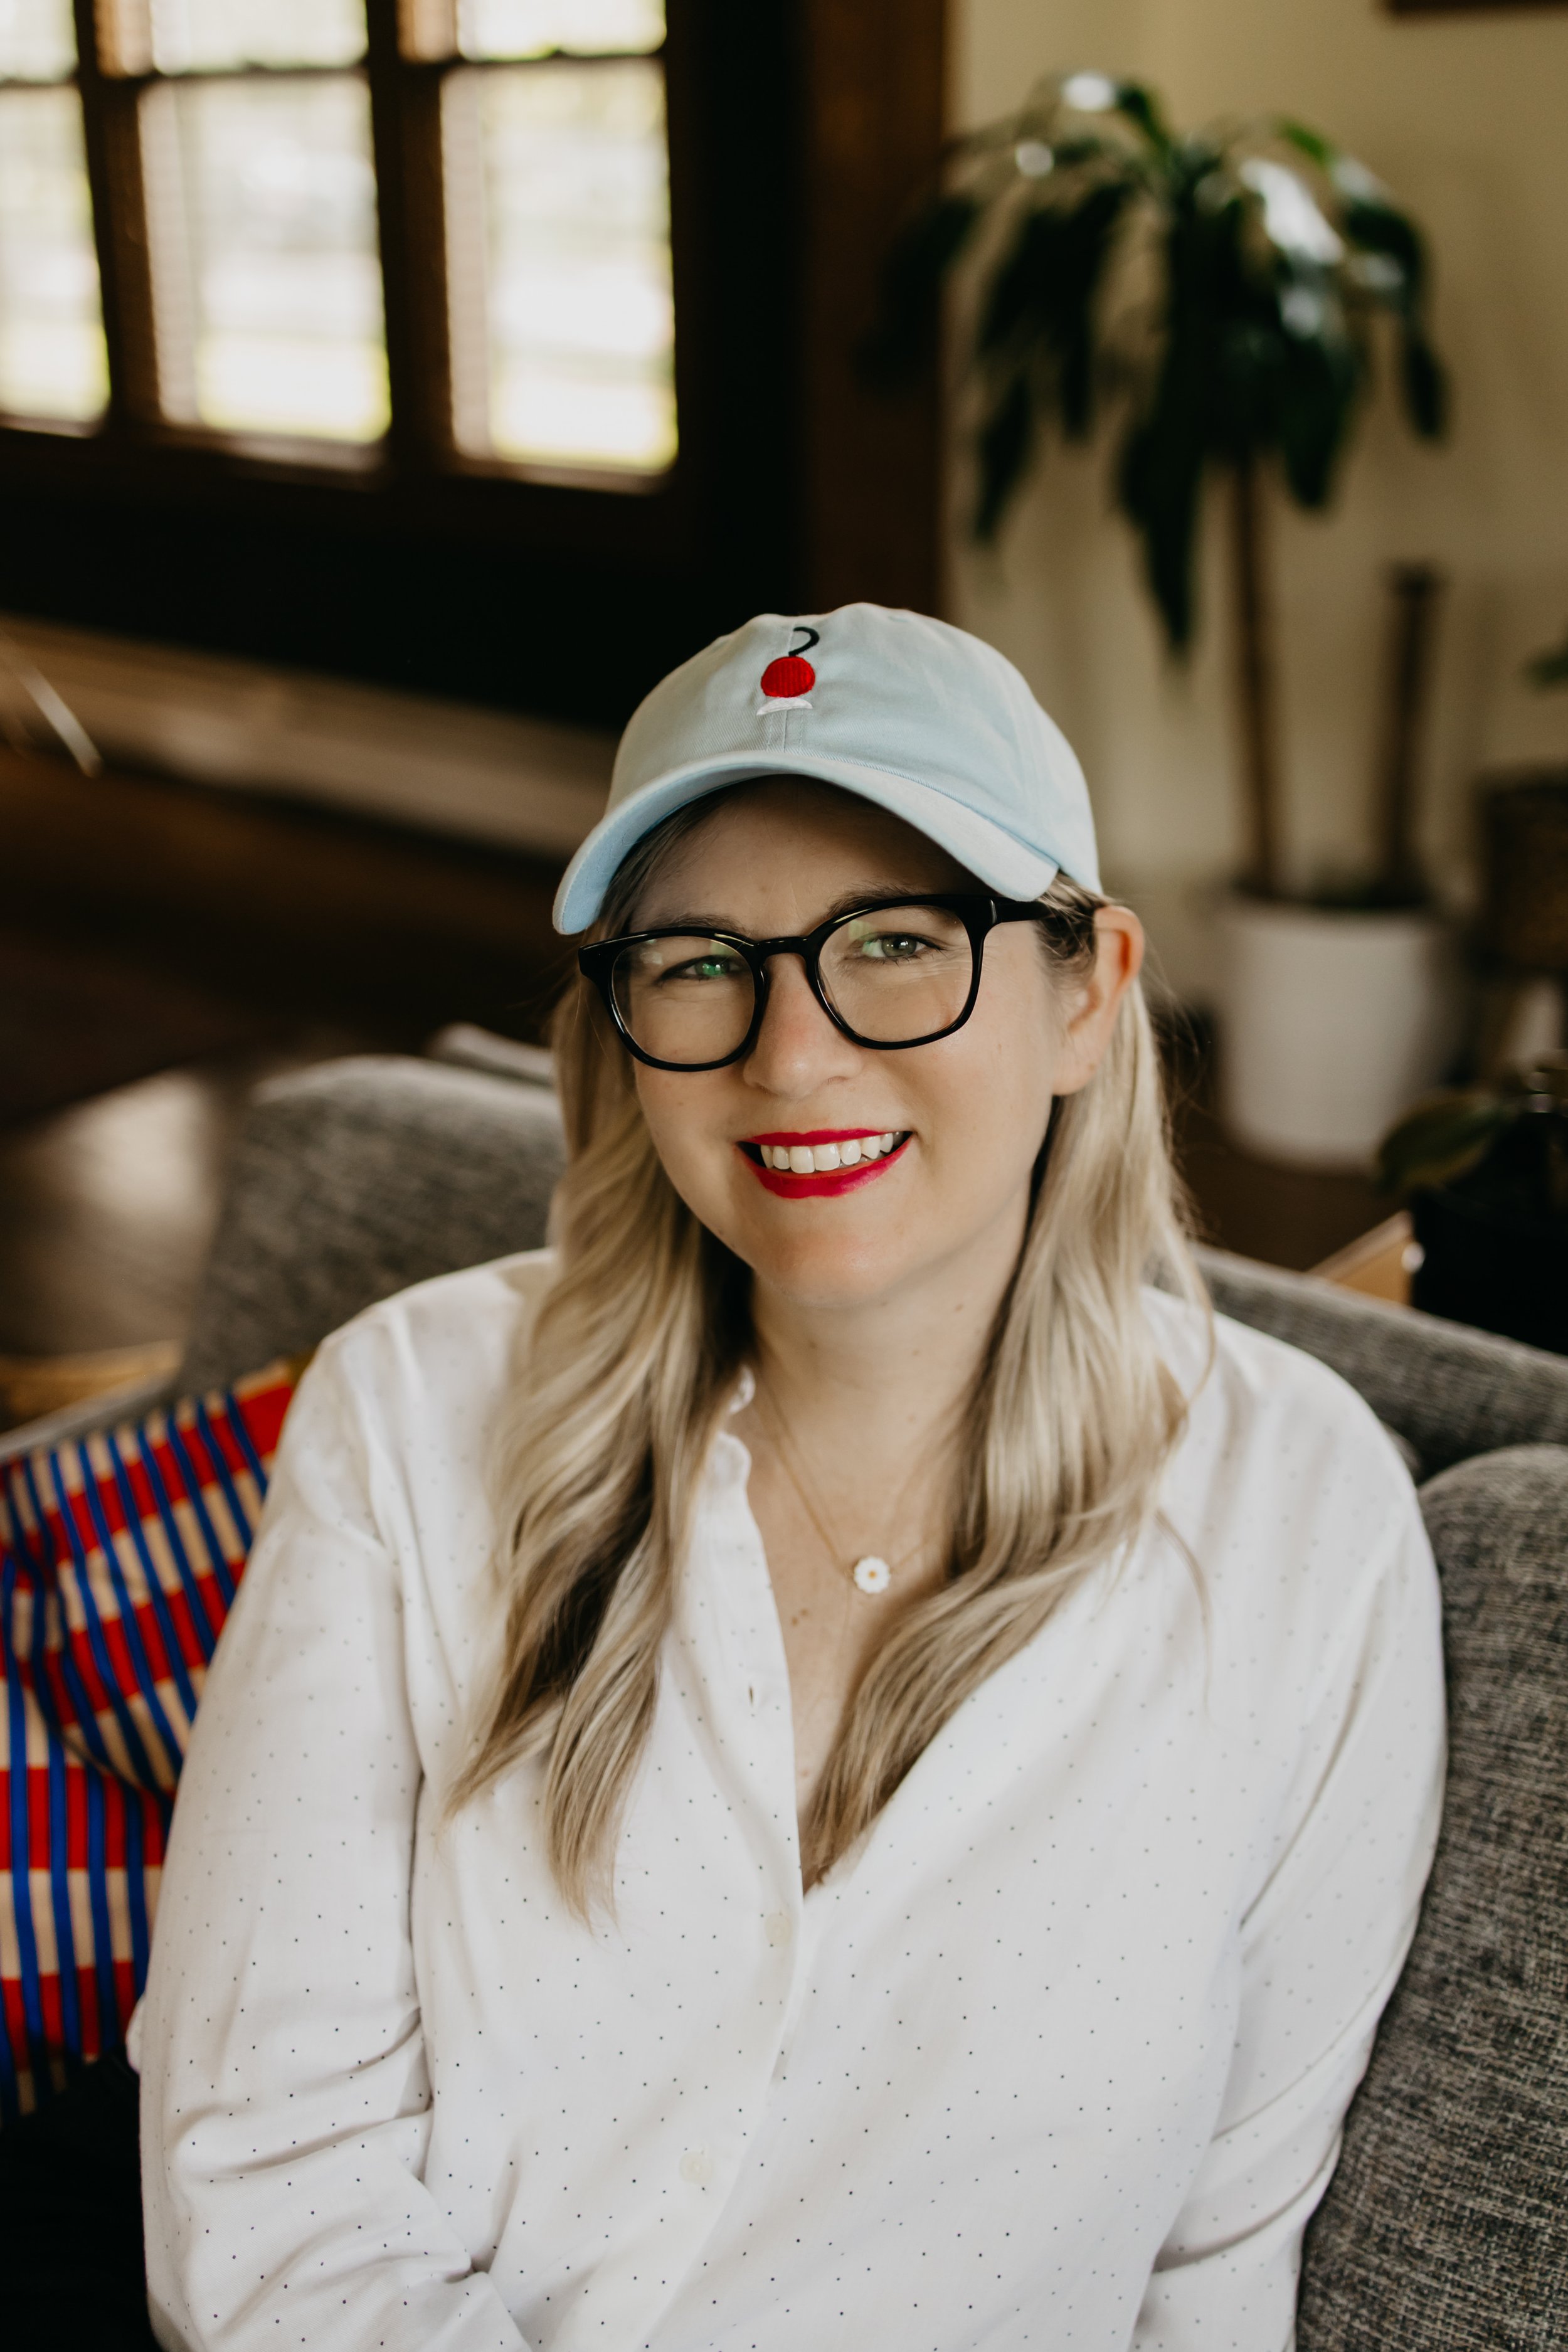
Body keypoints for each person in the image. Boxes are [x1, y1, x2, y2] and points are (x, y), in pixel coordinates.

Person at [139, 606, 1445, 2351]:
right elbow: (265, 2190)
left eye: (894, 940)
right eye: (694, 961)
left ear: (1085, 989)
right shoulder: (416, 1405)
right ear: (617, 1025)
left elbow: (1215, 2278)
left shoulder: (1305, 1525)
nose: (790, 1053)